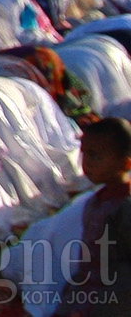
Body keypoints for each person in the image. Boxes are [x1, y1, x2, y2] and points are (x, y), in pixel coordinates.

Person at [62, 116, 131, 315]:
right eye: (84, 154)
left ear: (125, 164)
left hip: (117, 290)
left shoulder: (124, 206)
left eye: (95, 156)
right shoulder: (95, 201)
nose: (87, 163)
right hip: (90, 282)